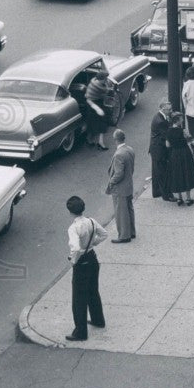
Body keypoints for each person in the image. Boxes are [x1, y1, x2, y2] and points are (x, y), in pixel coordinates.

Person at [65, 195, 107, 341]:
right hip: (92, 259)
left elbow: (75, 248)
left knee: (78, 298)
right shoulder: (91, 221)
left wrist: (73, 260)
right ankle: (98, 319)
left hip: (81, 263)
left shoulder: (73, 228)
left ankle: (80, 332)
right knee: (93, 291)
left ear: (70, 212)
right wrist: (93, 243)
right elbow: (104, 234)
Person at [104, 129, 136, 244]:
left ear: (115, 140)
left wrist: (111, 182)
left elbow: (118, 173)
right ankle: (131, 232)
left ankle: (124, 235)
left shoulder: (118, 154)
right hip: (128, 185)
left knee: (121, 212)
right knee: (129, 209)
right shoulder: (129, 149)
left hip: (120, 188)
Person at [164, 112, 194, 205]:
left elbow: (167, 145)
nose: (182, 120)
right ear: (177, 120)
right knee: (186, 173)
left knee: (177, 174)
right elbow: (192, 142)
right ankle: (188, 198)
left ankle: (179, 198)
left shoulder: (168, 131)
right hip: (184, 153)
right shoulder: (183, 131)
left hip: (174, 154)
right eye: (181, 119)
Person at [148, 100, 173, 200]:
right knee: (163, 172)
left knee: (156, 171)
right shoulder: (161, 122)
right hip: (159, 150)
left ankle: (157, 191)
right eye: (169, 109)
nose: (171, 111)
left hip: (155, 148)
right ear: (163, 109)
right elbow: (167, 135)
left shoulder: (159, 117)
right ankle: (167, 195)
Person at [84, 68, 114, 149]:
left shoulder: (94, 82)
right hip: (93, 104)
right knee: (98, 122)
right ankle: (96, 141)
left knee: (97, 123)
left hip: (95, 103)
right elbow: (106, 91)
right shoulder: (98, 87)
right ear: (101, 79)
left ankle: (94, 141)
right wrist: (98, 109)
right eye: (105, 79)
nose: (106, 80)